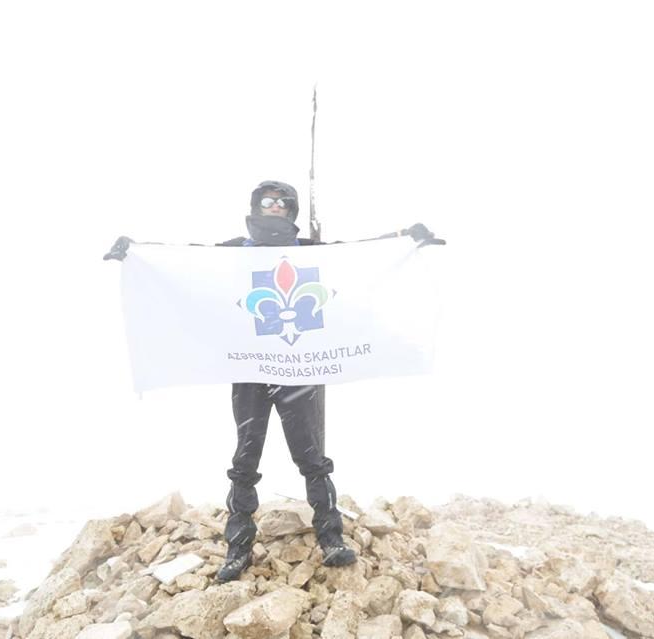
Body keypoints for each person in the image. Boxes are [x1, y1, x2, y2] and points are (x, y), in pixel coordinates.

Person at [104, 179, 442, 582]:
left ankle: (331, 538)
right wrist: (138, 252)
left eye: (284, 202)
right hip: (251, 368)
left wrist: (403, 239)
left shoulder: (308, 253)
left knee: (312, 458)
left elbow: (358, 255)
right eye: (268, 200)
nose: (276, 207)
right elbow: (183, 262)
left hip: (301, 369)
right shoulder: (233, 254)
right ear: (255, 206)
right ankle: (238, 547)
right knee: (245, 459)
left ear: (293, 210)